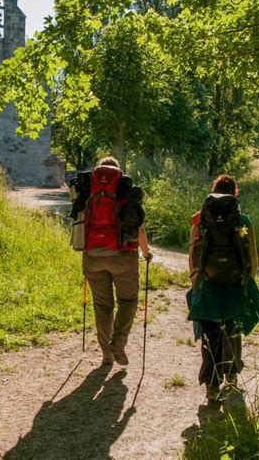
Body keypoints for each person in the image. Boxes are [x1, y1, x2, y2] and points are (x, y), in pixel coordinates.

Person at [188, 174, 259, 402]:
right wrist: (247, 280)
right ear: (234, 193)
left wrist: (195, 281)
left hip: (207, 284)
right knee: (232, 331)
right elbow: (252, 255)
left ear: (213, 192)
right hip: (234, 285)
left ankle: (211, 385)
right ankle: (231, 378)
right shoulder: (243, 221)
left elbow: (193, 255)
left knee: (210, 335)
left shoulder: (200, 220)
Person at [76, 156, 152, 367]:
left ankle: (106, 355)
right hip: (122, 258)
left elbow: (79, 225)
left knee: (102, 306)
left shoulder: (88, 194)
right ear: (118, 175)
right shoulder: (127, 197)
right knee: (128, 301)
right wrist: (146, 253)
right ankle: (117, 343)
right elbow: (139, 229)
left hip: (93, 257)